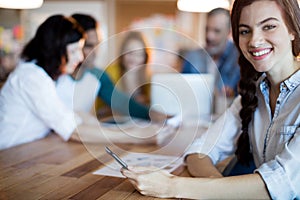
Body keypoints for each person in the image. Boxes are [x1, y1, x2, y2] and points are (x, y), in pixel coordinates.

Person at [121, 0, 300, 199]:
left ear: (293, 29)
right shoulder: (252, 96)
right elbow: (198, 151)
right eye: (244, 31)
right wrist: (220, 189)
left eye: (269, 26)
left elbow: (280, 185)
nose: (254, 41)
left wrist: (171, 186)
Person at [0, 15, 168, 151]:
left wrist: (128, 130)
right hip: (9, 153)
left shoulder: (43, 75)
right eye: (74, 50)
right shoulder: (32, 78)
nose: (80, 57)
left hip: (28, 150)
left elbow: (76, 115)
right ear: (56, 49)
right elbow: (73, 131)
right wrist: (136, 136)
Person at [56, 13, 165, 121]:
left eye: (97, 45)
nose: (95, 52)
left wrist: (157, 116)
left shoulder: (98, 76)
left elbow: (121, 102)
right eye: (88, 46)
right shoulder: (52, 75)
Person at [181, 7, 240, 98]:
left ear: (229, 32)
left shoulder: (239, 58)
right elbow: (183, 92)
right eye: (207, 29)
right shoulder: (192, 57)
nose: (209, 36)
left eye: (216, 31)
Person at [105, 31, 151, 105]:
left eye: (139, 54)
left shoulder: (148, 79)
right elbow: (99, 110)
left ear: (145, 57)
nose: (134, 58)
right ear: (122, 52)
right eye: (130, 52)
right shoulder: (110, 73)